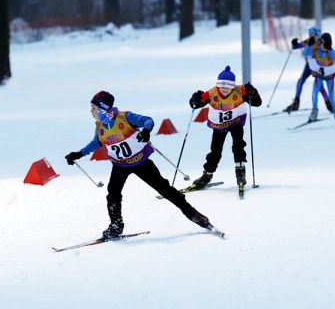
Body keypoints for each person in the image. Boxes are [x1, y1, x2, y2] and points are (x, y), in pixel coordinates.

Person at [65, 91, 221, 238]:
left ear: (103, 109)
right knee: (112, 192)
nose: (91, 112)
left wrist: (145, 131)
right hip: (120, 165)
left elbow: (148, 120)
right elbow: (96, 143)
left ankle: (194, 214)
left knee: (164, 189)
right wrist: (78, 154)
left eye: (93, 108)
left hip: (140, 162)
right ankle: (116, 225)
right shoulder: (100, 126)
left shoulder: (124, 117)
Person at [188, 66, 262, 190]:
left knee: (238, 145)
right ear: (218, 86)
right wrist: (194, 99)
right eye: (222, 87)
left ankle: (240, 171)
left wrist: (254, 93)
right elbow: (195, 105)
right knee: (215, 152)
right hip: (219, 126)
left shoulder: (240, 91)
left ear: (233, 86)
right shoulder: (212, 93)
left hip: (236, 123)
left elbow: (257, 103)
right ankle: (207, 175)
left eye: (228, 87)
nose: (225, 90)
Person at [302, 32, 335, 128]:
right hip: (319, 76)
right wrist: (309, 45)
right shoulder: (316, 50)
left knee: (332, 96)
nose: (320, 45)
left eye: (323, 43)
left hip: (329, 77)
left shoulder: (330, 51)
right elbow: (304, 54)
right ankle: (314, 112)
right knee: (315, 92)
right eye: (320, 42)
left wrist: (328, 49)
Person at [284, 26, 333, 113]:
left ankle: (328, 102)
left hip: (317, 65)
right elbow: (296, 46)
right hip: (309, 65)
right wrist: (294, 43)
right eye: (310, 34)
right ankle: (296, 102)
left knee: (319, 85)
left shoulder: (320, 41)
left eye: (312, 34)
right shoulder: (309, 40)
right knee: (301, 81)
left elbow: (327, 50)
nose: (311, 36)